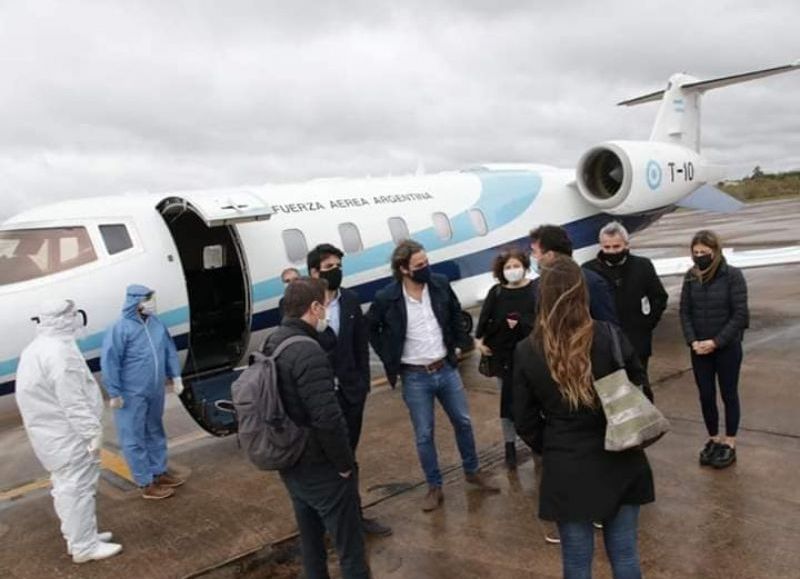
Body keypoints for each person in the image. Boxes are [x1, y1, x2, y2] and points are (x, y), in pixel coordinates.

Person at [513, 256, 654, 578]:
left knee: (577, 563)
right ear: (582, 292)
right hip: (620, 455)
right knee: (626, 556)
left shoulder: (527, 350)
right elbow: (642, 389)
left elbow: (524, 419)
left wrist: (553, 443)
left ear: (542, 296)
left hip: (567, 463)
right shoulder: (609, 335)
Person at [368, 239, 499, 512]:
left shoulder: (438, 284)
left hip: (446, 369)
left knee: (463, 422)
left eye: (426, 263)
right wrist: (388, 354)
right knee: (424, 434)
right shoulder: (387, 298)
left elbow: (453, 314)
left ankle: (473, 471)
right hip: (415, 376)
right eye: (419, 265)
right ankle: (434, 486)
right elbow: (372, 328)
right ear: (404, 269)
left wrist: (463, 343)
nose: (426, 268)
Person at [264, 277, 370, 579]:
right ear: (313, 307)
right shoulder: (308, 351)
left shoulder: (275, 341)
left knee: (311, 544)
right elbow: (327, 418)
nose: (325, 312)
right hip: (320, 466)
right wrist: (345, 464)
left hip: (292, 462)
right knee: (350, 549)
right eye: (323, 306)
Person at [15, 299, 123, 563]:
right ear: (62, 319)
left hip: (53, 436)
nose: (77, 318)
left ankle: (81, 537)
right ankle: (84, 547)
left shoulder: (38, 348)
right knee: (77, 490)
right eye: (72, 314)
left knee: (67, 489)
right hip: (68, 436)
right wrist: (91, 432)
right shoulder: (58, 353)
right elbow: (72, 400)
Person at [307, 244, 392, 537]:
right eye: (329, 268)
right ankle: (326, 521)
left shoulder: (351, 301)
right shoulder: (303, 305)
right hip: (319, 399)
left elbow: (359, 345)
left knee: (348, 458)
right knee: (324, 460)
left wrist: (362, 385)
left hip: (350, 394)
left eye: (338, 266)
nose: (336, 272)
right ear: (314, 273)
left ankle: (354, 517)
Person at [101, 284, 185, 500]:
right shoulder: (120, 329)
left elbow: (168, 349)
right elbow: (110, 361)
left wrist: (175, 375)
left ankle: (159, 471)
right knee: (133, 437)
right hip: (131, 394)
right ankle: (145, 483)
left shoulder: (156, 324)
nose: (150, 302)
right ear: (134, 301)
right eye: (146, 298)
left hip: (154, 389)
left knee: (155, 430)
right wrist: (115, 392)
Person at [680, 230, 749, 469]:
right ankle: (713, 438)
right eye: (695, 252)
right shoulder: (690, 277)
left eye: (704, 253)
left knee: (729, 394)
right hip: (699, 349)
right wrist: (692, 341)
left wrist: (716, 342)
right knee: (706, 395)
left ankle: (730, 441)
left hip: (726, 348)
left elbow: (739, 314)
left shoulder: (733, 276)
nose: (699, 257)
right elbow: (685, 312)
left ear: (715, 252)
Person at [583, 221, 668, 400]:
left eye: (616, 246)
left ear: (626, 245)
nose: (612, 251)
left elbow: (659, 297)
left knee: (640, 391)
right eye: (607, 247)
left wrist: (647, 324)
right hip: (604, 343)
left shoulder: (642, 266)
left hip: (637, 340)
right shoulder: (589, 270)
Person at [475, 247, 537, 469]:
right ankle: (509, 445)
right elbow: (483, 320)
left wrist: (522, 322)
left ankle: (536, 443)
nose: (513, 270)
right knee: (507, 401)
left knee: (535, 400)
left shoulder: (535, 289)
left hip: (532, 355)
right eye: (508, 267)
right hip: (504, 357)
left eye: (516, 266)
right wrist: (479, 342)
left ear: (525, 267)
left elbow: (542, 318)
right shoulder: (497, 292)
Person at [529, 224, 619, 324]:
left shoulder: (591, 282)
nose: (533, 256)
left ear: (550, 255)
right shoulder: (538, 285)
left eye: (534, 252)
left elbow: (608, 327)